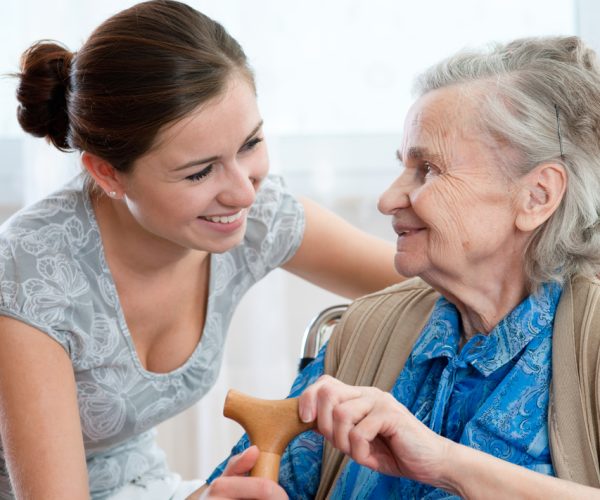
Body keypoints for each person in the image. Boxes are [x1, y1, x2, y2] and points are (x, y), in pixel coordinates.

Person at [0, 1, 401, 498]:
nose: (244, 192)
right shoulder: (29, 274)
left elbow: (429, 279)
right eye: (199, 172)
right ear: (107, 172)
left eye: (250, 143)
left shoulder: (256, 215)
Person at [202, 35, 600, 499]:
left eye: (427, 169)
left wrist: (447, 464)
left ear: (537, 196)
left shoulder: (588, 342)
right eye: (402, 167)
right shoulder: (366, 329)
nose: (388, 199)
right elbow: (237, 487)